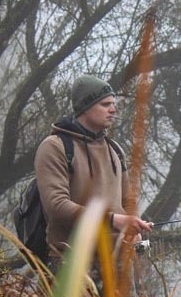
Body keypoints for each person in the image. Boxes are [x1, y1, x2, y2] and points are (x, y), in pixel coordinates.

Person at [34, 75, 152, 274]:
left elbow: (128, 200)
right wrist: (113, 220)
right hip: (70, 263)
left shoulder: (115, 150)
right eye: (105, 104)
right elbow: (57, 205)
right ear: (85, 107)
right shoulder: (55, 147)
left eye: (114, 104)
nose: (113, 110)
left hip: (117, 263)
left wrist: (133, 226)